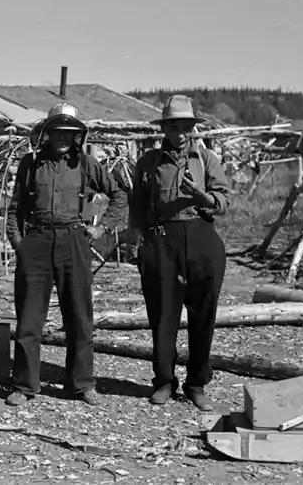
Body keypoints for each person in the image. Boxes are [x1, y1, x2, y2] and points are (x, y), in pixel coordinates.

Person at [5, 103, 128, 407]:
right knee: (29, 319)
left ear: (77, 135)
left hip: (74, 239)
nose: (62, 136)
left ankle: (81, 384)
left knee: (80, 317)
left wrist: (103, 229)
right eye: (57, 130)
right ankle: (25, 385)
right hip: (37, 240)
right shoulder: (31, 164)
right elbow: (15, 207)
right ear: (47, 132)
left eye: (69, 131)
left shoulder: (87, 164)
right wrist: (19, 244)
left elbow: (119, 194)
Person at [130, 94, 229, 412]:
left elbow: (223, 201)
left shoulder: (208, 160)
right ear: (164, 129)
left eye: (187, 126)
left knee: (203, 316)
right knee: (162, 316)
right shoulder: (148, 164)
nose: (181, 133)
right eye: (175, 126)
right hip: (162, 242)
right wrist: (140, 245)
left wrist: (203, 197)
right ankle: (163, 381)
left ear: (193, 128)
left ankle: (197, 384)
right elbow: (138, 209)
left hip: (202, 239)